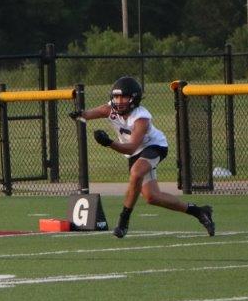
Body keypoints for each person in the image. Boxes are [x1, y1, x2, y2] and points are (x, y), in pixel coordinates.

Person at [71, 75, 215, 239]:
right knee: (152, 197)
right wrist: (80, 114)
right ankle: (199, 211)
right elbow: (95, 112)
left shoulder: (141, 118)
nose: (119, 101)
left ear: (134, 99)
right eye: (116, 97)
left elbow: (132, 147)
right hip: (134, 152)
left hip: (154, 146)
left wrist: (109, 143)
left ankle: (123, 220)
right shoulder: (111, 109)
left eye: (123, 97)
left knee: (136, 172)